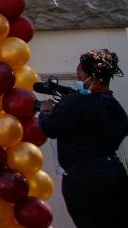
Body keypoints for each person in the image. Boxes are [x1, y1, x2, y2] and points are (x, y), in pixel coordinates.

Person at [38, 48, 128, 227]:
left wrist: (45, 112)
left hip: (84, 177)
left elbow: (51, 127)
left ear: (92, 77)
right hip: (115, 173)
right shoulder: (116, 107)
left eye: (80, 77)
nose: (79, 81)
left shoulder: (78, 102)